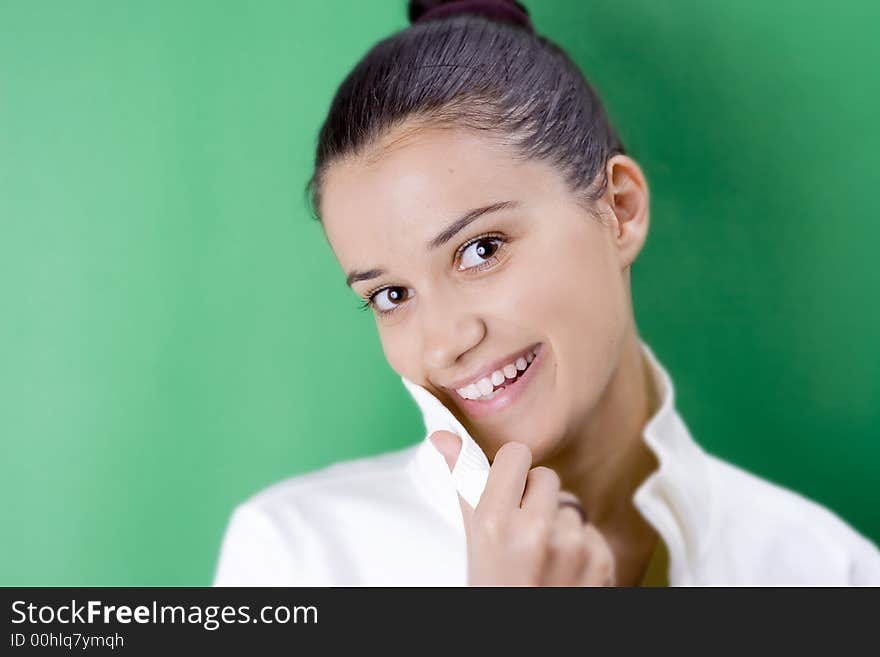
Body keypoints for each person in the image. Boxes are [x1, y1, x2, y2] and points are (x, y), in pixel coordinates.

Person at [212, 0, 880, 586]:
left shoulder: (826, 571)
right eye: (390, 295)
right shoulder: (296, 559)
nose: (445, 342)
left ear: (619, 208)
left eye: (481, 249)